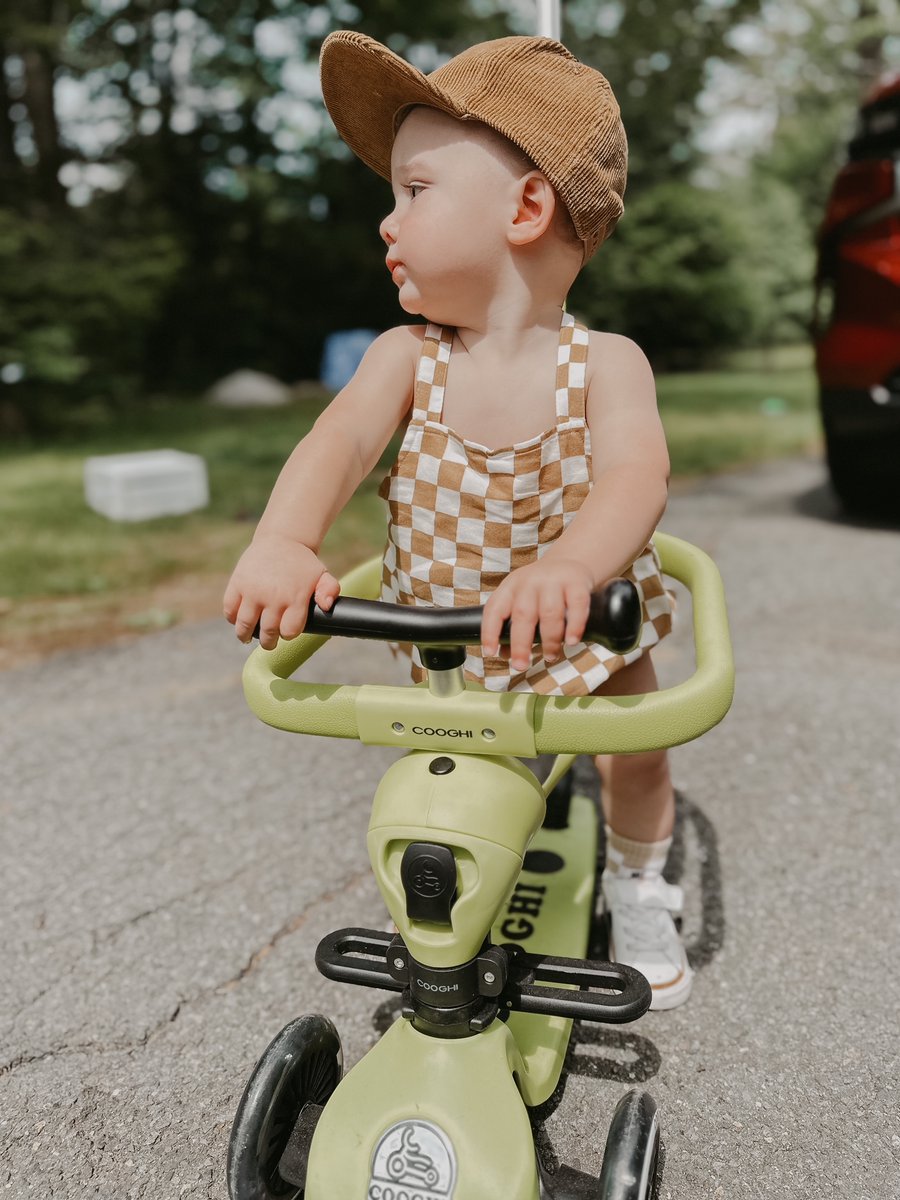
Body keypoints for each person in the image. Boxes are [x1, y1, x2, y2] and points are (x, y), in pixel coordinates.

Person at [224, 32, 691, 1009]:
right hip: (449, 639)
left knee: (638, 747)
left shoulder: (607, 363)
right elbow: (338, 444)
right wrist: (284, 541)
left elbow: (635, 478)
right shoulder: (406, 355)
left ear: (526, 209)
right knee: (451, 774)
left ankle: (640, 880)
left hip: (586, 624)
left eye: (415, 192)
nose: (387, 224)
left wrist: (572, 564)